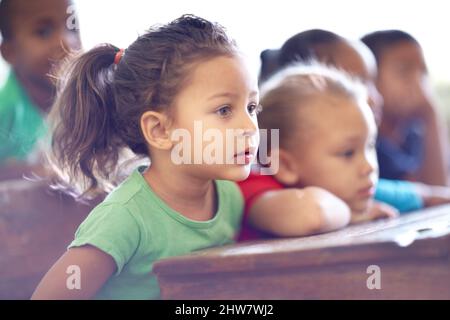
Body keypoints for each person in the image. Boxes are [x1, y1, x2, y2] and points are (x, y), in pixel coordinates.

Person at [32, 15, 259, 299]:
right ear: (160, 129)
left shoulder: (229, 197)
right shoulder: (124, 219)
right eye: (224, 110)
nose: (250, 127)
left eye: (252, 107)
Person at [272, 29, 450, 213]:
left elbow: (423, 194)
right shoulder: (266, 181)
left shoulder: (361, 180)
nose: (374, 97)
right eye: (354, 83)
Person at [239, 64, 398, 241]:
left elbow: (405, 194)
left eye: (370, 145)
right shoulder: (253, 187)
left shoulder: (352, 188)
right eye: (347, 153)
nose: (369, 167)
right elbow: (313, 215)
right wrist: (351, 216)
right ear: (285, 165)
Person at [361, 30, 449, 186]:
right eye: (404, 70)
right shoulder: (369, 142)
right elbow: (433, 191)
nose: (417, 82)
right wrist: (430, 116)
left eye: (422, 72)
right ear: (369, 77)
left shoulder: (413, 133)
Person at [0, 0, 81, 164]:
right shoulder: (5, 115)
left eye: (72, 27)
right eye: (43, 32)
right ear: (10, 52)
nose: (66, 43)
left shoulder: (86, 99)